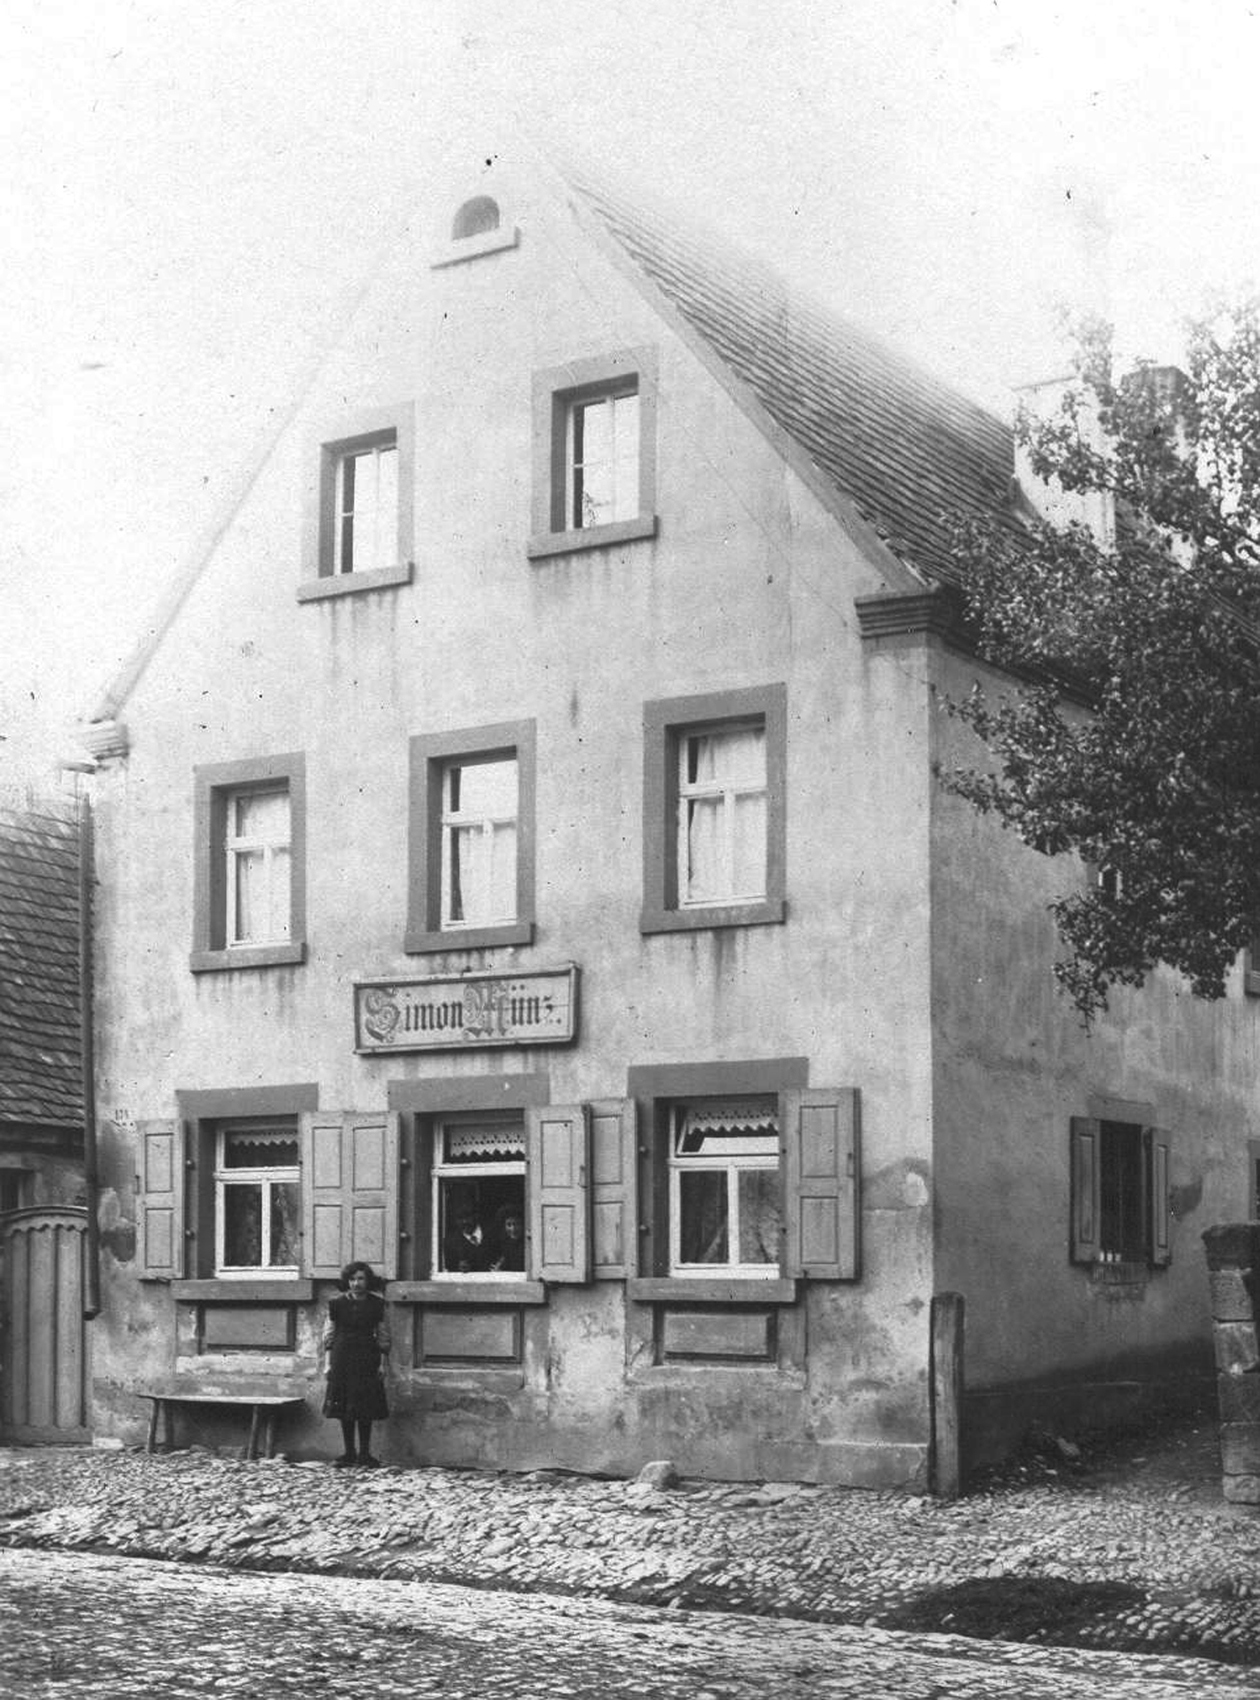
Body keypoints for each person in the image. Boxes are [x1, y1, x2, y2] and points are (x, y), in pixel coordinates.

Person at [321, 1260, 390, 1467]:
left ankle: (365, 1454)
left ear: (368, 1281)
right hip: (342, 1357)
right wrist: (327, 1364)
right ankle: (349, 1452)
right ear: (347, 1281)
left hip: (367, 1358)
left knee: (365, 1406)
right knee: (344, 1406)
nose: (356, 1283)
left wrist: (382, 1364)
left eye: (361, 1279)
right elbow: (328, 1337)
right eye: (352, 1279)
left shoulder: (377, 1304)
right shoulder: (336, 1304)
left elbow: (383, 1336)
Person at [442, 1204, 492, 1273]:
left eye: (467, 1217)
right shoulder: (451, 1243)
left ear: (476, 1216)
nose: (464, 1222)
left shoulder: (491, 1234)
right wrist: (458, 1268)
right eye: (460, 1218)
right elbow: (449, 1269)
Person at [490, 1204, 526, 1271]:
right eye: (509, 1225)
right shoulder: (501, 1245)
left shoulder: (527, 1246)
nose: (513, 1229)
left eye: (517, 1224)